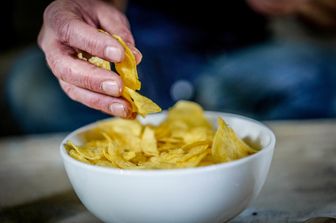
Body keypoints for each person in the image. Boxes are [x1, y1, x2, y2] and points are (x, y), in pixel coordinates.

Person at [6, 0, 336, 133]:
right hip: (146, 59)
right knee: (31, 82)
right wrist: (80, 12)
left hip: (239, 63)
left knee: (321, 70)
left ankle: (233, 143)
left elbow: (326, 17)